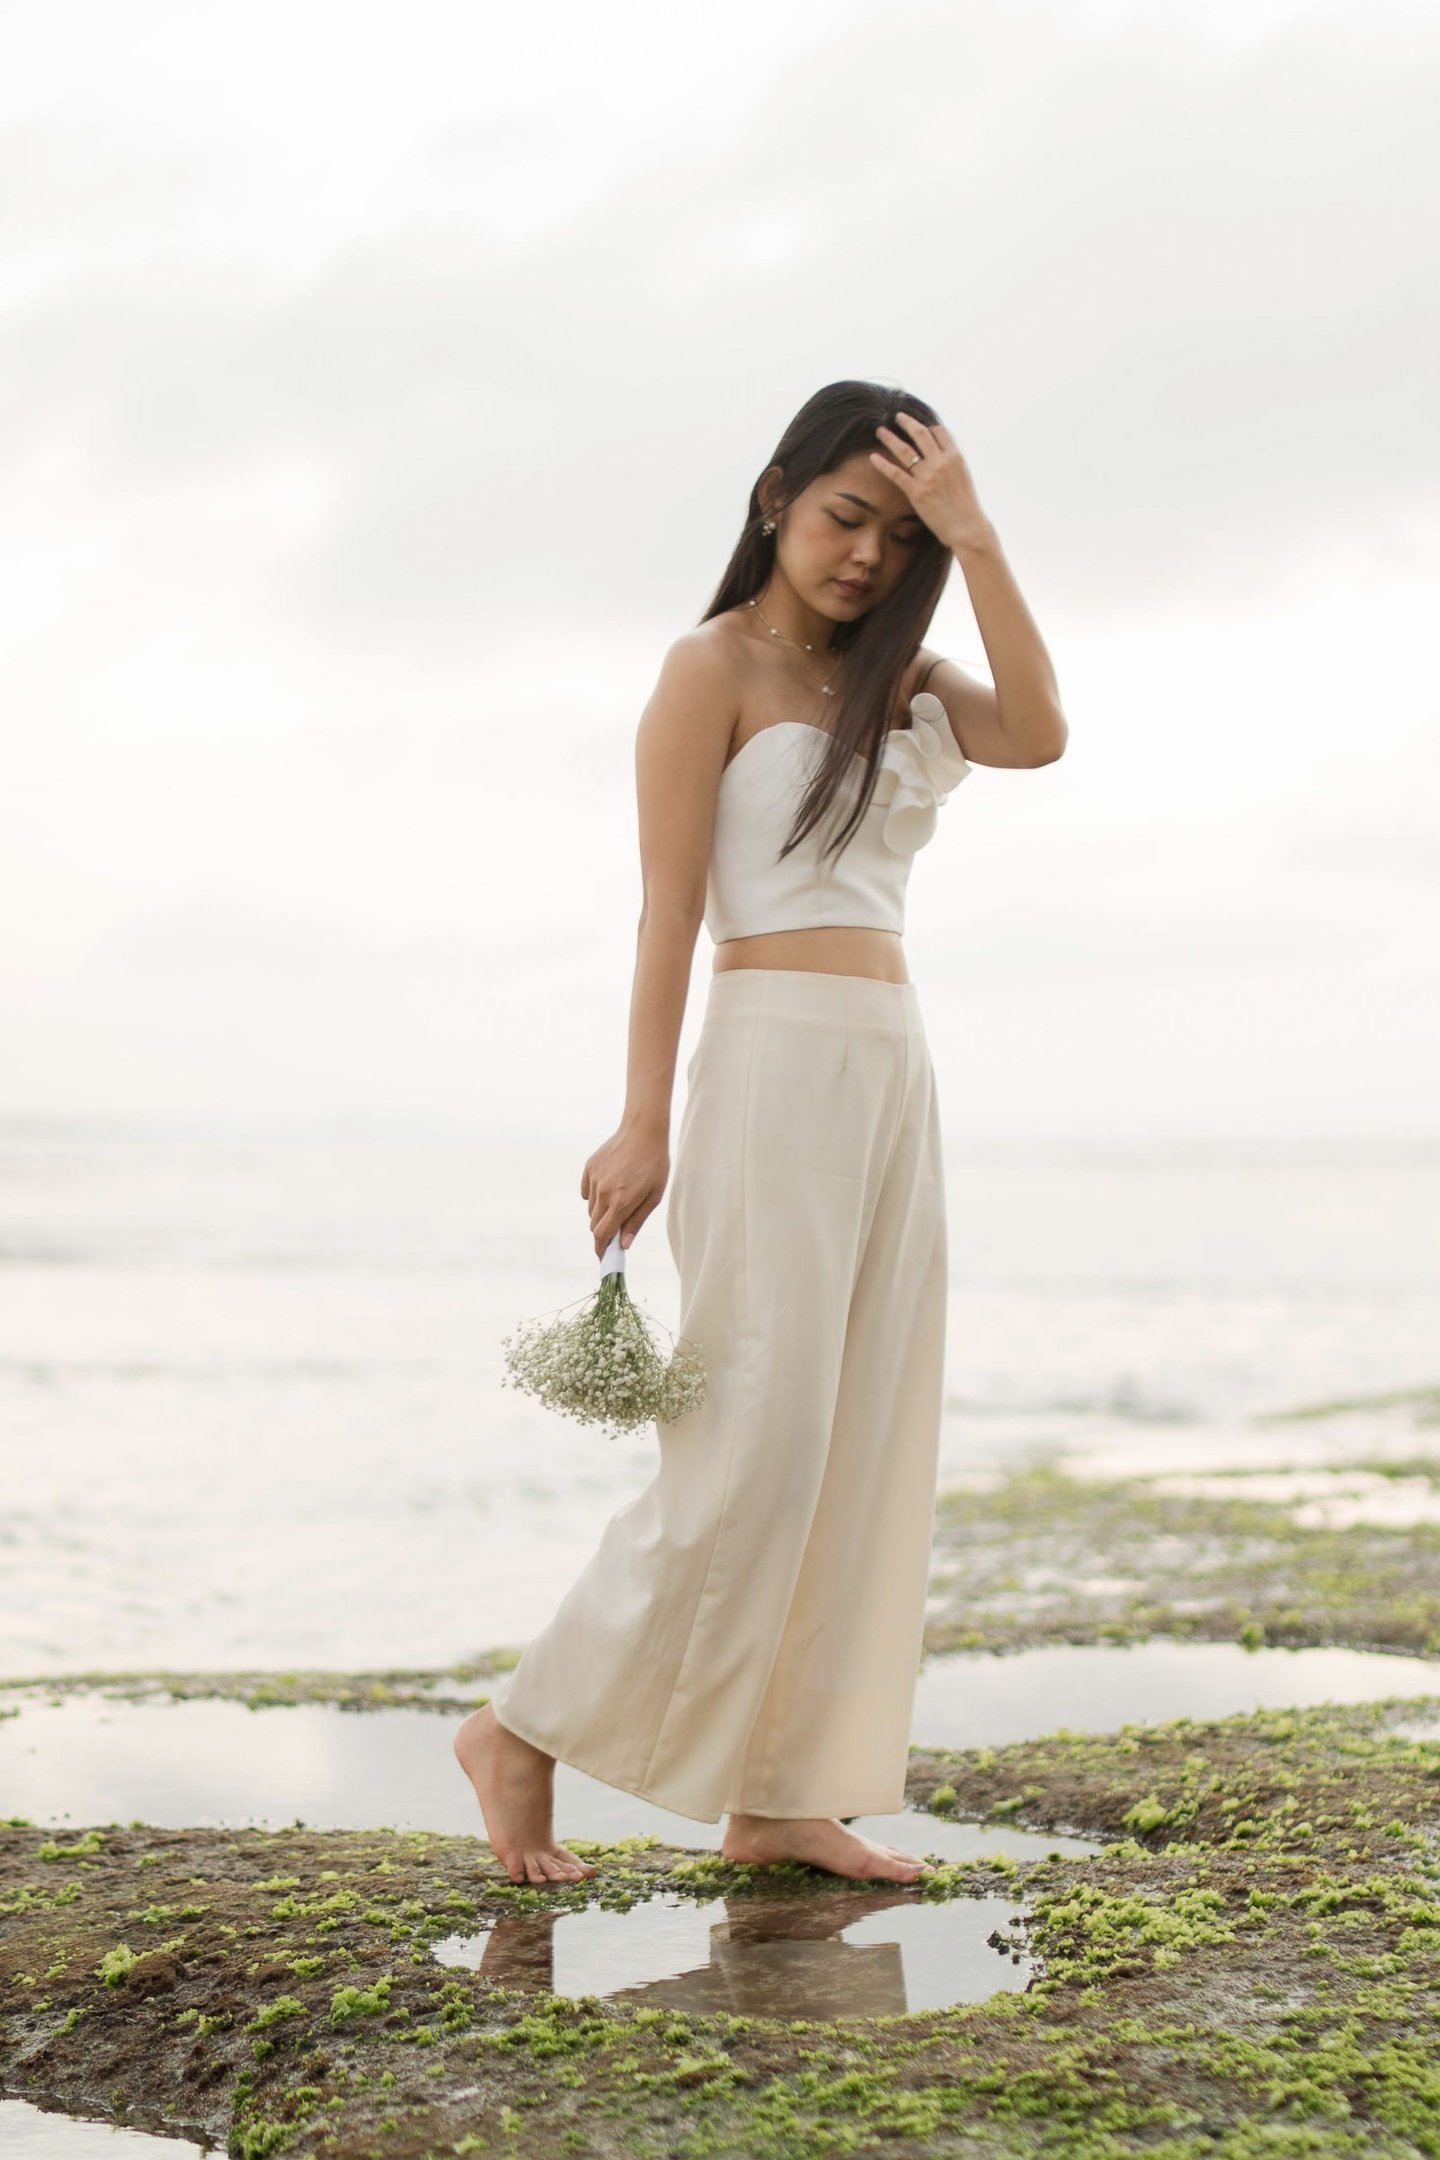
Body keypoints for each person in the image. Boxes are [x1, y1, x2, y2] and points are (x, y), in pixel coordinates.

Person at [456, 379, 1067, 1887]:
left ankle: (784, 1794)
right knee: (751, 1438)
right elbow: (667, 908)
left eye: (897, 532)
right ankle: (521, 1731)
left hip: (889, 1065)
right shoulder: (707, 667)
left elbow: (1041, 734)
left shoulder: (908, 678)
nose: (865, 553)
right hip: (769, 1062)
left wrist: (978, 539)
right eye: (845, 516)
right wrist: (641, 1117)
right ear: (776, 496)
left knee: (864, 1435)